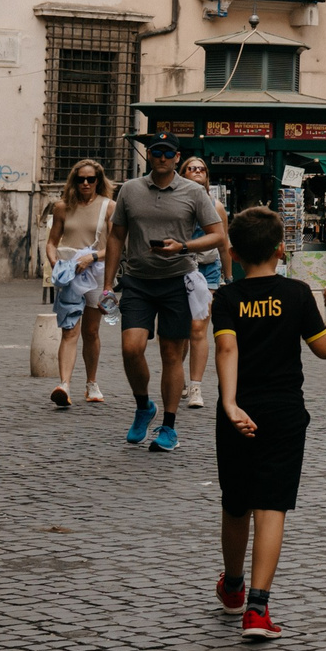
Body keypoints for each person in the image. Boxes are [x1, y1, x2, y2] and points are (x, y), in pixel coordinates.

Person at [210, 205, 326, 641]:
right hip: (284, 412)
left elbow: (227, 351)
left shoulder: (226, 298)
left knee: (235, 501)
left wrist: (230, 405)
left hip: (239, 410)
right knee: (271, 506)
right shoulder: (298, 294)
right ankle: (258, 610)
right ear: (281, 250)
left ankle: (231, 587)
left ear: (234, 253)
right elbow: (324, 349)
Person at [103, 135, 226, 451]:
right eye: (156, 152)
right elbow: (117, 236)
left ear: (176, 156)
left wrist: (183, 247)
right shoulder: (130, 190)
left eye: (167, 153)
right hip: (138, 281)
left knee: (172, 353)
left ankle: (168, 427)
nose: (161, 157)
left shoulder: (193, 192)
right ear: (149, 155)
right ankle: (144, 406)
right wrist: (107, 284)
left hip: (177, 282)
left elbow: (217, 235)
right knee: (132, 348)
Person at [43, 159, 114, 408]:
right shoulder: (62, 207)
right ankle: (64, 384)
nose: (85, 183)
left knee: (91, 331)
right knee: (69, 329)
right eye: (80, 179)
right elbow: (52, 241)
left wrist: (92, 256)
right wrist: (54, 262)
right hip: (70, 273)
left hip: (97, 272)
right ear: (73, 181)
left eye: (90, 179)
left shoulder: (109, 207)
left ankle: (91, 382)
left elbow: (117, 245)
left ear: (98, 180)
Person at [179, 156, 233, 410]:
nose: (197, 171)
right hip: (177, 268)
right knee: (179, 331)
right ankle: (176, 373)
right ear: (182, 174)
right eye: (192, 168)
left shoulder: (216, 206)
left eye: (202, 169)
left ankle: (195, 387)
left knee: (198, 328)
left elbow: (224, 243)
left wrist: (229, 278)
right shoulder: (174, 202)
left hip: (208, 270)